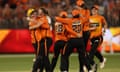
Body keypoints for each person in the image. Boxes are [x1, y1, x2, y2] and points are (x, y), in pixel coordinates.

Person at [32, 8, 53, 72]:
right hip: (43, 40)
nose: (39, 12)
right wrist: (33, 18)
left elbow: (38, 25)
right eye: (38, 11)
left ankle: (47, 70)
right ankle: (41, 69)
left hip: (47, 39)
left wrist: (31, 25)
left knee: (45, 56)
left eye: (40, 11)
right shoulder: (41, 18)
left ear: (43, 13)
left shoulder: (44, 18)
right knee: (42, 56)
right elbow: (36, 19)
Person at [88, 5, 107, 71]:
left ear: (97, 10)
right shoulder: (89, 18)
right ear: (91, 10)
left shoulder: (100, 17)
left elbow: (105, 24)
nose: (94, 10)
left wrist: (104, 30)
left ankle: (90, 65)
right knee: (95, 51)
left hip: (98, 37)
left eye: (95, 9)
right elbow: (87, 27)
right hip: (91, 38)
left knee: (92, 52)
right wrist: (91, 28)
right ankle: (102, 59)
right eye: (93, 9)